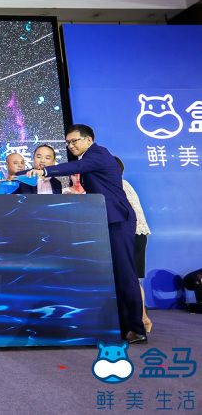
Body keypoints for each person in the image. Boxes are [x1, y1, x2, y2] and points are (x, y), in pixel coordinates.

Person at [26, 124, 146, 344]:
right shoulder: (89, 158)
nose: (71, 146)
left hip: (118, 220)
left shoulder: (98, 153)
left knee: (125, 273)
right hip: (104, 221)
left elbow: (76, 167)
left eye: (75, 141)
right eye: (68, 143)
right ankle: (122, 326)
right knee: (113, 275)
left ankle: (136, 329)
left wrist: (45, 171)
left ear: (89, 140)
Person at [115, 156, 152, 333]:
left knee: (132, 279)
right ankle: (140, 319)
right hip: (135, 234)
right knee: (132, 279)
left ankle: (142, 319)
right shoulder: (122, 184)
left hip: (133, 235)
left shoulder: (119, 186)